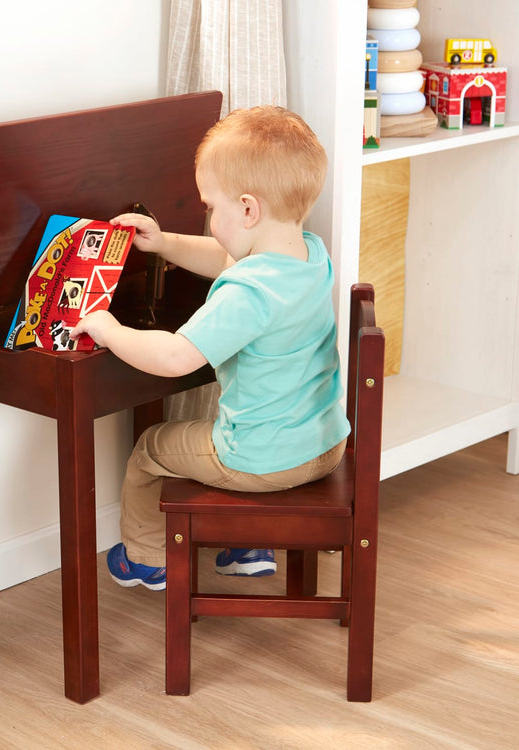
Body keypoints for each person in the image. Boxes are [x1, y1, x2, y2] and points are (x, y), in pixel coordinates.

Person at [70, 105, 350, 591]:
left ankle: (145, 558)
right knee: (211, 436)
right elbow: (225, 256)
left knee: (152, 448)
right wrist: (163, 243)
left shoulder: (248, 293)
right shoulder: (308, 254)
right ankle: (246, 542)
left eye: (209, 207)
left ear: (247, 209)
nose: (207, 216)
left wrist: (110, 329)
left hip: (263, 460)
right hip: (324, 444)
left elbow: (177, 357)